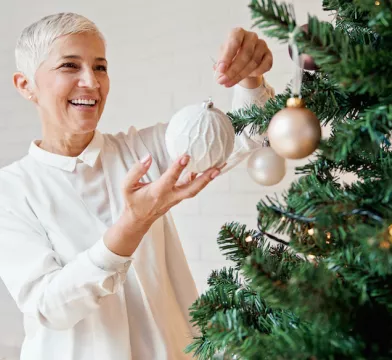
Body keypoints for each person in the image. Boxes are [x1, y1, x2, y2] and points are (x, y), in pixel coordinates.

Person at [0, 12, 275, 360]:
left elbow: (244, 137)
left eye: (100, 67)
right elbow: (48, 307)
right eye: (70, 66)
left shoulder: (141, 151)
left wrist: (250, 77)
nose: (92, 82)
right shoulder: (11, 189)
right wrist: (132, 225)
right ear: (25, 85)